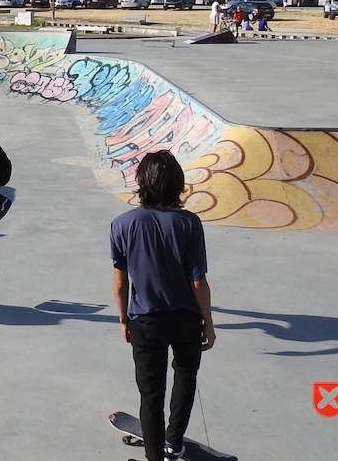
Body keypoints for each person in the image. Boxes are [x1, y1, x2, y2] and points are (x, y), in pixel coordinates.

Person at [111, 150, 215, 461]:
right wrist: (208, 322)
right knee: (186, 375)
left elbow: (120, 283)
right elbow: (198, 282)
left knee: (151, 394)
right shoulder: (190, 224)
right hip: (185, 320)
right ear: (178, 185)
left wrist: (123, 320)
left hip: (146, 321)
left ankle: (155, 457)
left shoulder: (122, 224)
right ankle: (174, 442)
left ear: (140, 182)